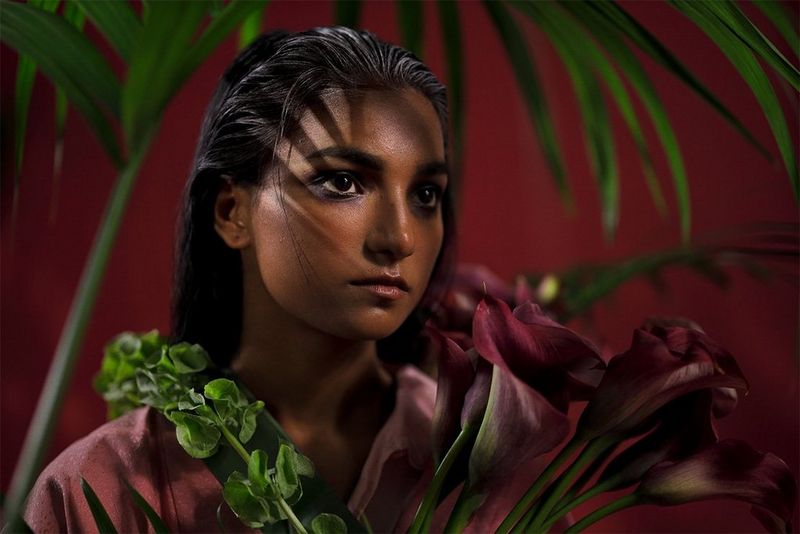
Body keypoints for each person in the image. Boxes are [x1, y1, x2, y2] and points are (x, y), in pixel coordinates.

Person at [24, 26, 457, 533]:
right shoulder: (101, 490)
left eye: (425, 194)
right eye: (342, 182)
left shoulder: (479, 464)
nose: (400, 237)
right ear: (233, 212)